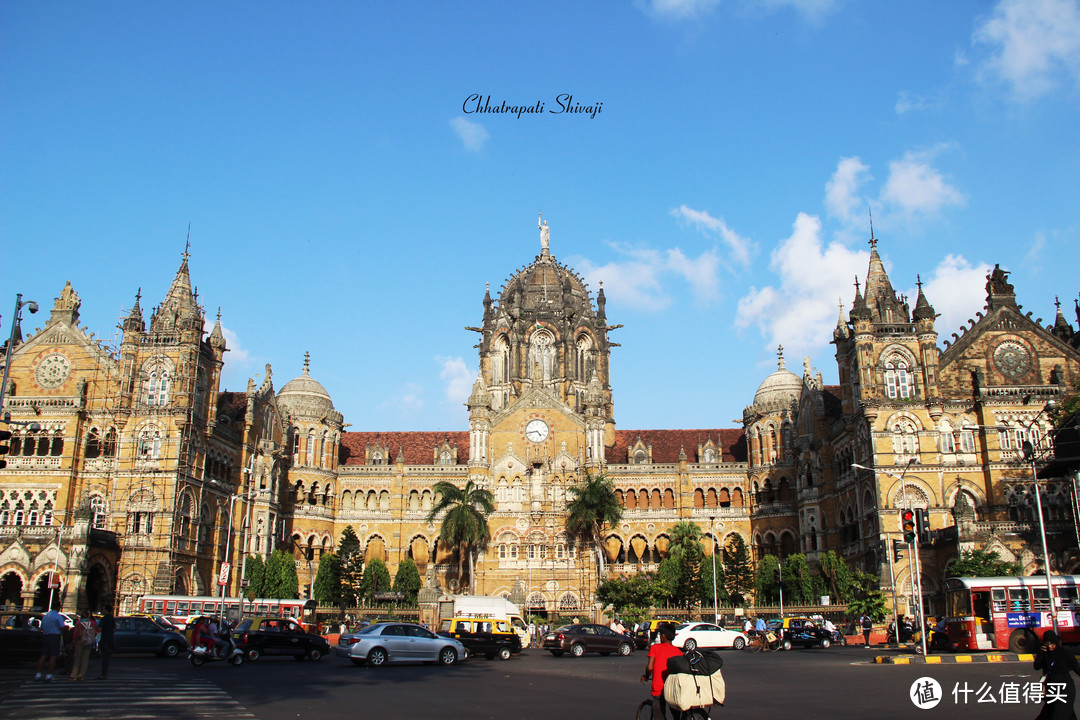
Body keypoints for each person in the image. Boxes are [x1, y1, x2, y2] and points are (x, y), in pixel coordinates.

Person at [1034, 630, 1079, 720]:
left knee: (1059, 715)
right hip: (1051, 690)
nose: (1050, 646)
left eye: (1052, 644)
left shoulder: (1064, 653)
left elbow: (1077, 668)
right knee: (1049, 715)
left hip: (1065, 689)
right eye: (1048, 644)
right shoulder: (1045, 653)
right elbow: (1037, 666)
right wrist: (1040, 654)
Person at [641, 623, 682, 720]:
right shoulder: (679, 652)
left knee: (659, 714)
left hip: (659, 688)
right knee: (676, 715)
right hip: (673, 689)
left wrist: (646, 676)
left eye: (660, 635)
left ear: (663, 636)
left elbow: (650, 667)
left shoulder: (655, 648)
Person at [34, 602, 65, 682]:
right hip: (54, 636)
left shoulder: (46, 616)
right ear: (58, 608)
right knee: (53, 656)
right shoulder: (58, 616)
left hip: (45, 636)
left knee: (43, 656)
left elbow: (41, 627)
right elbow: (62, 627)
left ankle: (38, 674)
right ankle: (49, 675)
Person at [70, 613, 98, 681]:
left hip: (80, 641)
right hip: (88, 641)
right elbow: (95, 632)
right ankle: (81, 674)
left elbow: (78, 633)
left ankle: (74, 674)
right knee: (85, 658)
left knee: (77, 658)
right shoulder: (92, 623)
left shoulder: (80, 623)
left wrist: (75, 639)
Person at [97, 606, 115, 680]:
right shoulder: (112, 618)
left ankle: (103, 674)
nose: (102, 610)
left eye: (103, 609)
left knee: (104, 656)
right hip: (110, 638)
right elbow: (114, 629)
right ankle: (104, 673)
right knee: (107, 656)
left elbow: (100, 629)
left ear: (106, 610)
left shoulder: (104, 619)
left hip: (104, 638)